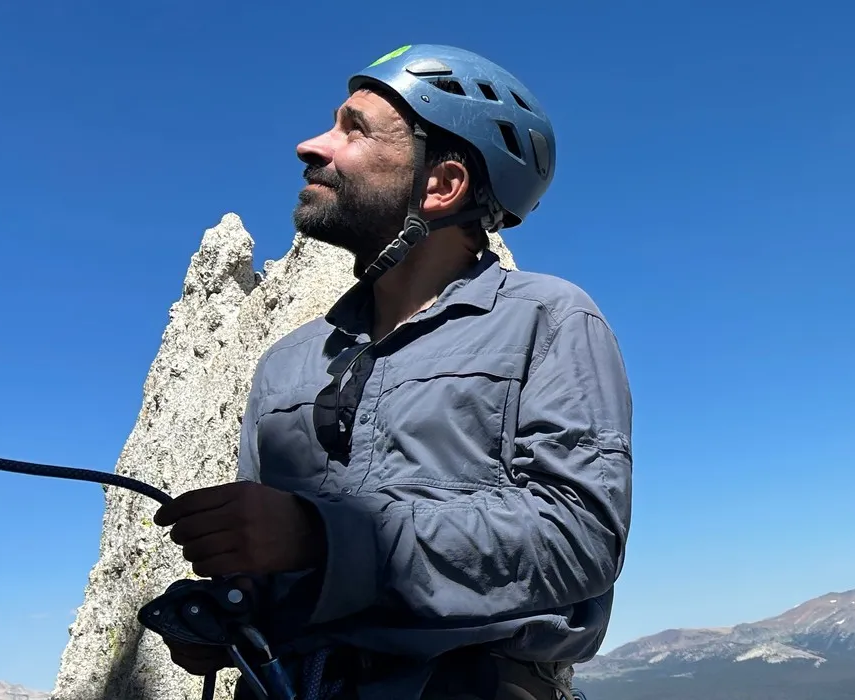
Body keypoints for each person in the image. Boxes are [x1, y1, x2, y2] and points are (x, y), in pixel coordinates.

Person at [149, 43, 632, 700]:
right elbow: (278, 565)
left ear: (442, 185)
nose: (309, 146)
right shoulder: (287, 364)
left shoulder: (547, 318)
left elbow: (579, 538)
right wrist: (227, 610)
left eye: (354, 129)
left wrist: (321, 538)